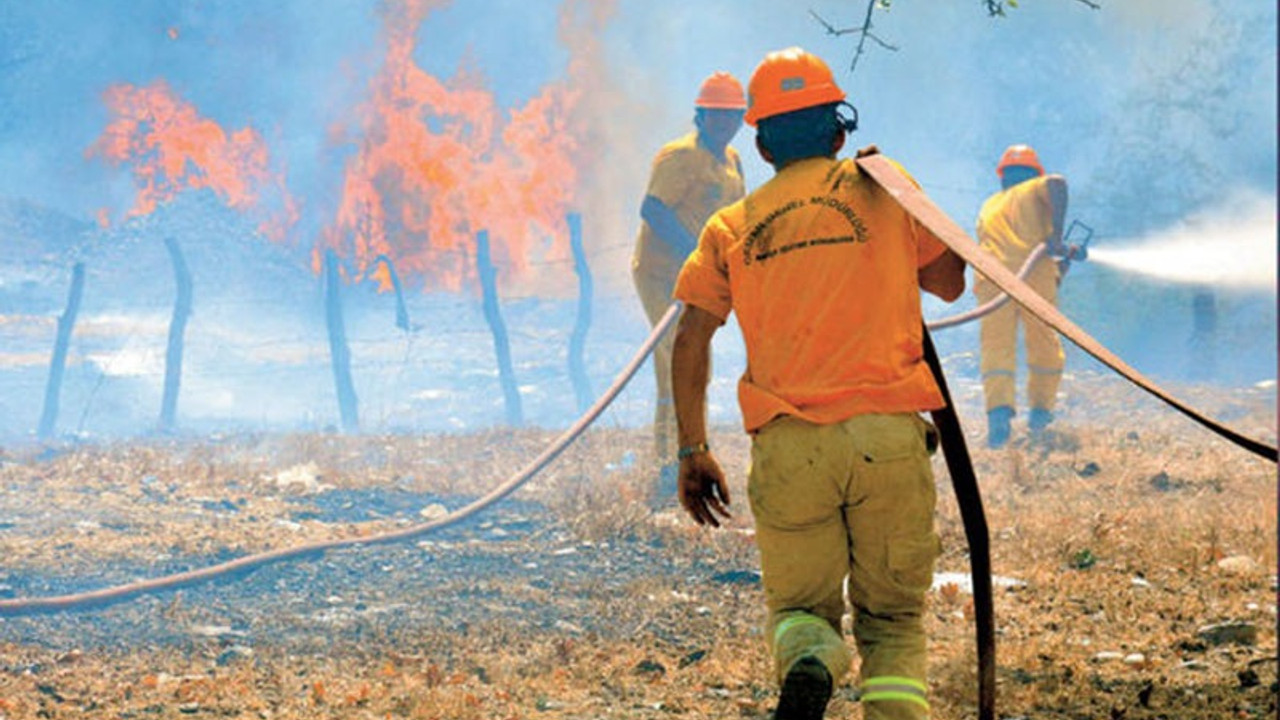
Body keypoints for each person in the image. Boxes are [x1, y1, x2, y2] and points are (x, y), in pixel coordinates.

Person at [671, 47, 966, 720]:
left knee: (801, 609)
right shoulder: (883, 190)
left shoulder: (732, 227)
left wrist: (692, 448)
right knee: (892, 622)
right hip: (888, 440)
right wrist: (903, 195)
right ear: (839, 130)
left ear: (762, 142)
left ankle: (811, 659)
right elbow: (950, 284)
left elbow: (690, 338)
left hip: (791, 447)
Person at [631, 71, 747, 503]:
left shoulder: (732, 160)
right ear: (699, 116)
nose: (723, 123)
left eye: (731, 115)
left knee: (698, 360)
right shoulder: (679, 156)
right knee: (673, 359)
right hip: (664, 272)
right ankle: (667, 463)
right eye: (715, 115)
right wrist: (695, 253)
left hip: (701, 273)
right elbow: (653, 210)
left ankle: (681, 450)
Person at [974, 144, 1082, 448]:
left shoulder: (989, 206)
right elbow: (1057, 183)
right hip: (1031, 277)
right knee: (1044, 343)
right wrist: (1058, 238)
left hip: (992, 279)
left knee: (996, 347)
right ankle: (1040, 415)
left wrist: (1061, 261)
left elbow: (1015, 245)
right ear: (1033, 174)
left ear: (1002, 177)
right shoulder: (1034, 187)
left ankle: (998, 419)